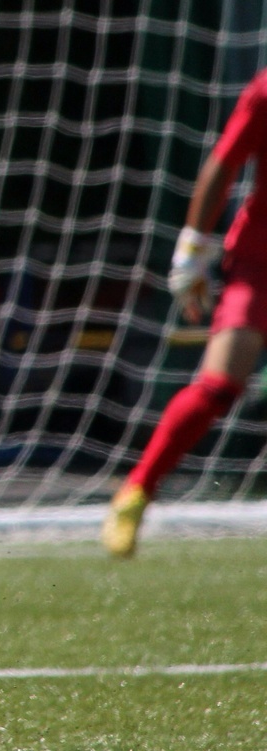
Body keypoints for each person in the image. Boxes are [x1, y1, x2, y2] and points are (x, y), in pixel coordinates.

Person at [103, 70, 267, 557]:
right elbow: (223, 163)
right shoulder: (263, 89)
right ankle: (136, 492)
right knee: (219, 384)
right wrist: (192, 250)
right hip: (259, 262)